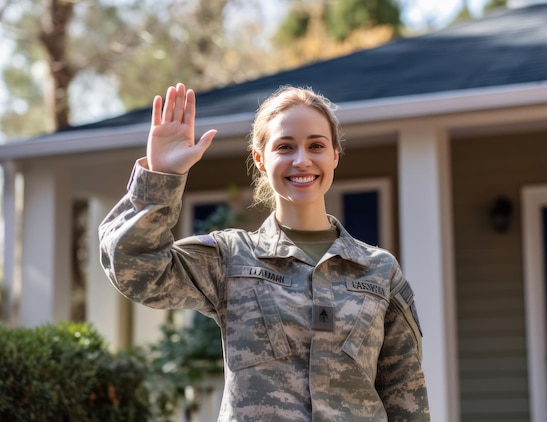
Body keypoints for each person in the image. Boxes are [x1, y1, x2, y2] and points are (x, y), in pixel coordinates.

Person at [99, 83, 430, 421]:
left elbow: (405, 393)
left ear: (334, 155)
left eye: (316, 145)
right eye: (285, 147)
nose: (302, 160)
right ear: (260, 158)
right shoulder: (230, 257)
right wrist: (162, 176)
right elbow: (135, 267)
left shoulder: (378, 270)